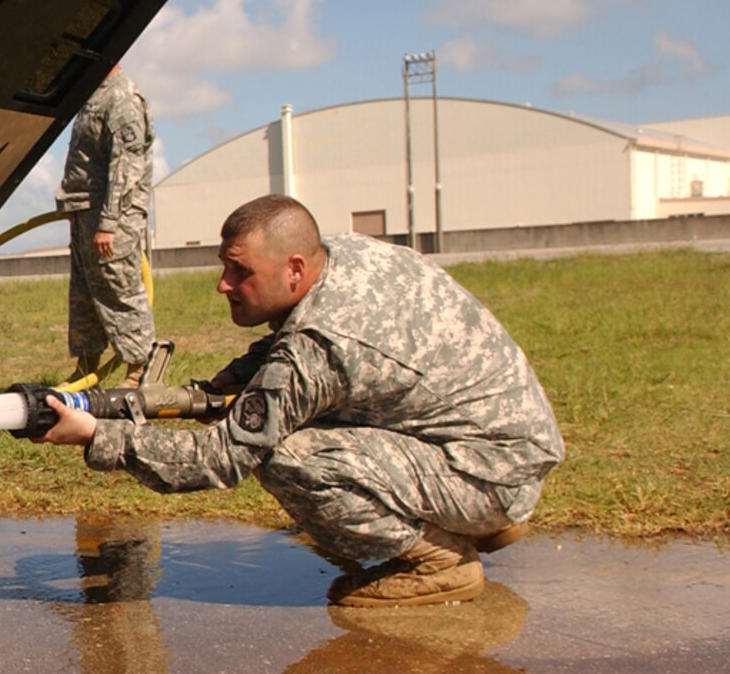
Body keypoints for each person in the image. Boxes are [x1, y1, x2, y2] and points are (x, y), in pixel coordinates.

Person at [35, 194, 565, 608]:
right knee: (301, 426)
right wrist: (220, 384)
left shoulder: (317, 349)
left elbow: (220, 458)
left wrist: (97, 435)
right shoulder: (337, 255)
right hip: (497, 446)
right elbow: (281, 346)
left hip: (490, 468)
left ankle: (438, 561)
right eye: (225, 266)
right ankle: (480, 519)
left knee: (286, 456)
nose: (223, 284)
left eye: (240, 271)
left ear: (293, 269)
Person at [58, 64, 156, 386]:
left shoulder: (122, 98)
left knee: (119, 289)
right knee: (84, 293)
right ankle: (87, 368)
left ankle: (140, 369)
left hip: (113, 216)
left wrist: (109, 223)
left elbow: (124, 166)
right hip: (87, 212)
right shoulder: (95, 96)